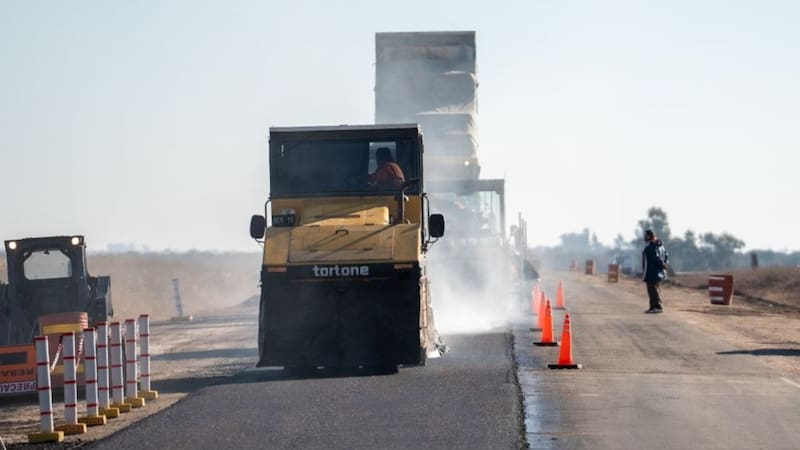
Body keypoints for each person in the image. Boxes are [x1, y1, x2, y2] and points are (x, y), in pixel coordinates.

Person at [642, 229, 669, 313]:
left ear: (649, 236)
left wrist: (662, 264)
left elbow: (655, 258)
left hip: (652, 271)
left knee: (652, 289)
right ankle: (652, 307)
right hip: (658, 272)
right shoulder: (660, 246)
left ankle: (657, 306)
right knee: (654, 289)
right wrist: (664, 263)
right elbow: (666, 255)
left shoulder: (651, 246)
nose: (644, 237)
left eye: (645, 235)